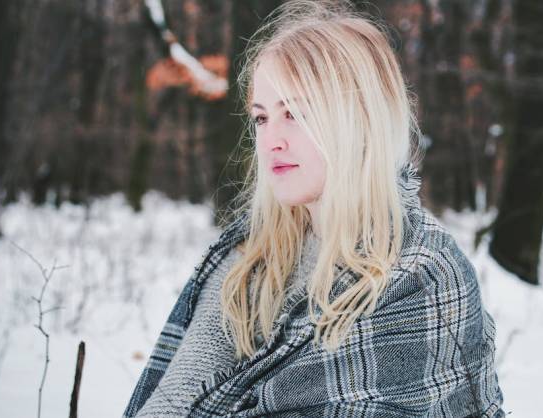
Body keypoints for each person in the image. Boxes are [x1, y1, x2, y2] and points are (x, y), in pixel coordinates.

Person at [123, 1, 505, 416]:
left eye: (295, 113)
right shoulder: (249, 259)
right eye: (262, 118)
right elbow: (172, 402)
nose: (272, 141)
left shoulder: (423, 277)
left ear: (359, 119)